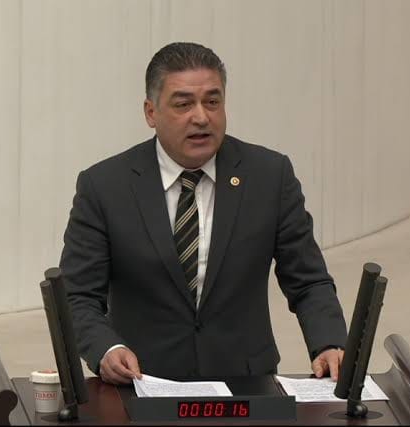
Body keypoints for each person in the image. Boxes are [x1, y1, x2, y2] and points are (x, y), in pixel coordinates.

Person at [60, 42, 347, 385]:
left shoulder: (269, 176)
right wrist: (106, 349)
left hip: (247, 386)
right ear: (151, 113)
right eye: (183, 104)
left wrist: (329, 342)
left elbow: (308, 280)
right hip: (143, 384)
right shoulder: (105, 186)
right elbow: (77, 296)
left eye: (212, 102)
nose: (201, 117)